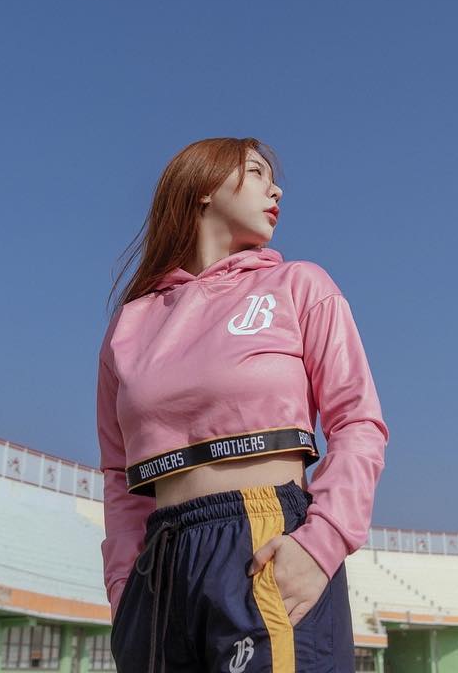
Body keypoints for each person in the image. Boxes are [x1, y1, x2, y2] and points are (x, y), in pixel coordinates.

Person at [96, 137, 389, 673]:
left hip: (266, 539)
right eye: (256, 172)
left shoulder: (300, 285)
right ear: (204, 187)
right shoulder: (129, 323)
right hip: (158, 570)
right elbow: (119, 474)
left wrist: (321, 543)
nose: (276, 190)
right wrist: (123, 589)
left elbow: (358, 423)